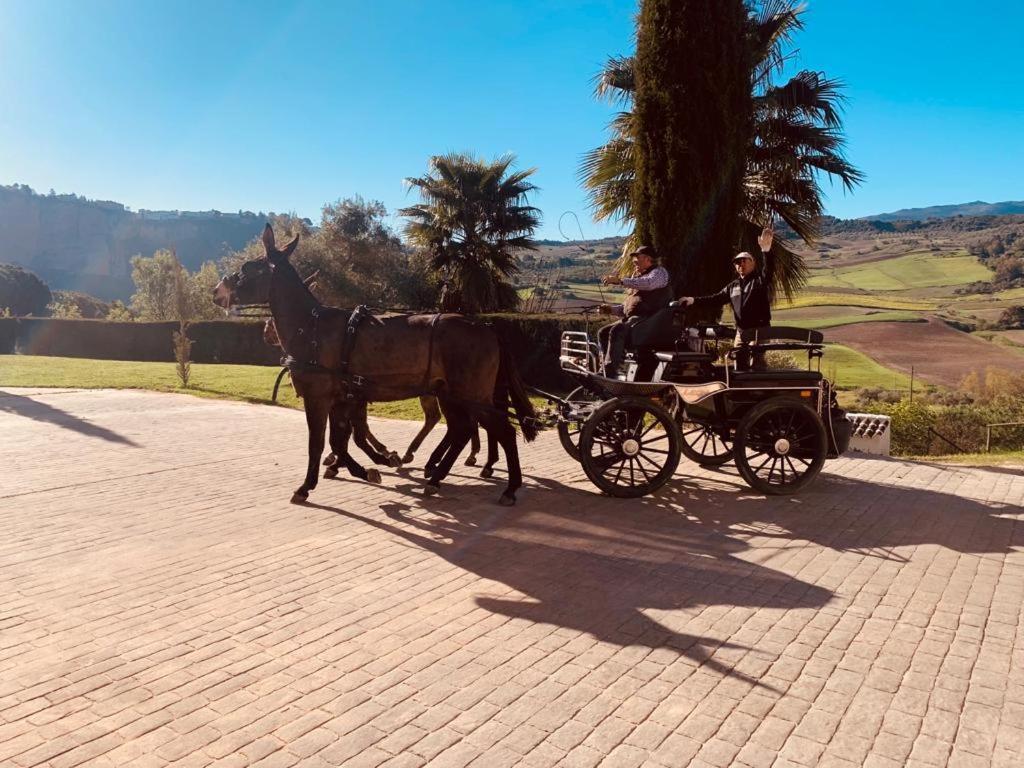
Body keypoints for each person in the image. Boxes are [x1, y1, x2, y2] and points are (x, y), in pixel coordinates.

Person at [676, 226, 775, 370]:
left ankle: (759, 391)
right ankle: (740, 391)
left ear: (753, 263)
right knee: (739, 361)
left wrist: (766, 251)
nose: (740, 264)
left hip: (760, 329)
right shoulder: (732, 287)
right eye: (737, 262)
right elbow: (715, 299)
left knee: (757, 362)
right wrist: (693, 300)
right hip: (741, 331)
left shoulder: (759, 281)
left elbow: (769, 272)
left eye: (744, 261)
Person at [596, 245, 672, 378]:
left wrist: (620, 281)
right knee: (603, 332)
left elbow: (649, 283)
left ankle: (610, 374)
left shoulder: (659, 273)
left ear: (648, 259)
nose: (634, 261)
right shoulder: (639, 280)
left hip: (650, 320)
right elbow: (627, 308)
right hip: (636, 320)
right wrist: (609, 309)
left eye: (637, 257)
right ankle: (604, 369)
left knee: (618, 329)